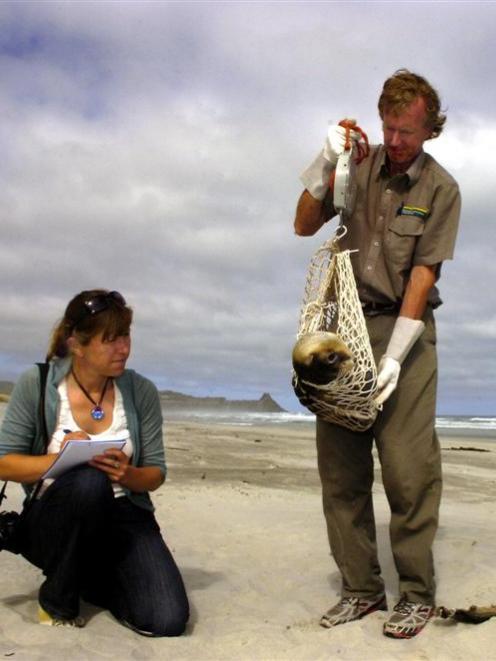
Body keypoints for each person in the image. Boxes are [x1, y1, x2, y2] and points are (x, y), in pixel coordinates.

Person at [294, 70, 461, 639]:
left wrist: (393, 358)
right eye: (389, 128)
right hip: (343, 329)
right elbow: (302, 224)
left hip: (403, 331)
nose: (395, 141)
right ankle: (361, 590)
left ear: (429, 130)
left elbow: (422, 275)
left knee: (409, 474)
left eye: (408, 132)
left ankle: (416, 594)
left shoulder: (441, 190)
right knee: (340, 473)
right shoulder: (358, 166)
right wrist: (325, 161)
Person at [0, 289, 189, 636]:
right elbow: (4, 463)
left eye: (126, 336)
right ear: (77, 344)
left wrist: (129, 474)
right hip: (55, 517)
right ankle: (57, 601)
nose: (124, 348)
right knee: (89, 482)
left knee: (167, 619)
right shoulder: (38, 383)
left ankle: (88, 575)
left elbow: (156, 474)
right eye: (111, 339)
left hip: (124, 515)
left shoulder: (140, 390)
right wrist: (57, 460)